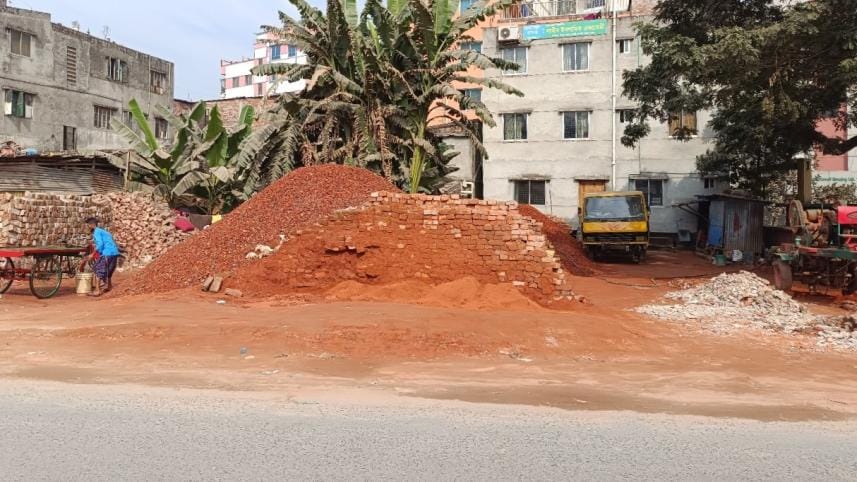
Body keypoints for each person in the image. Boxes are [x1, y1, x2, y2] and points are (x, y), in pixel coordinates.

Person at [83, 217, 120, 296]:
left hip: (107, 253)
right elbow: (108, 241)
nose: (88, 227)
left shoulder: (96, 232)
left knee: (97, 269)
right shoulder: (104, 231)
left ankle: (97, 290)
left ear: (92, 225)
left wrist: (92, 254)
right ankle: (109, 286)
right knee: (108, 270)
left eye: (88, 225)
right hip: (114, 252)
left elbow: (100, 244)